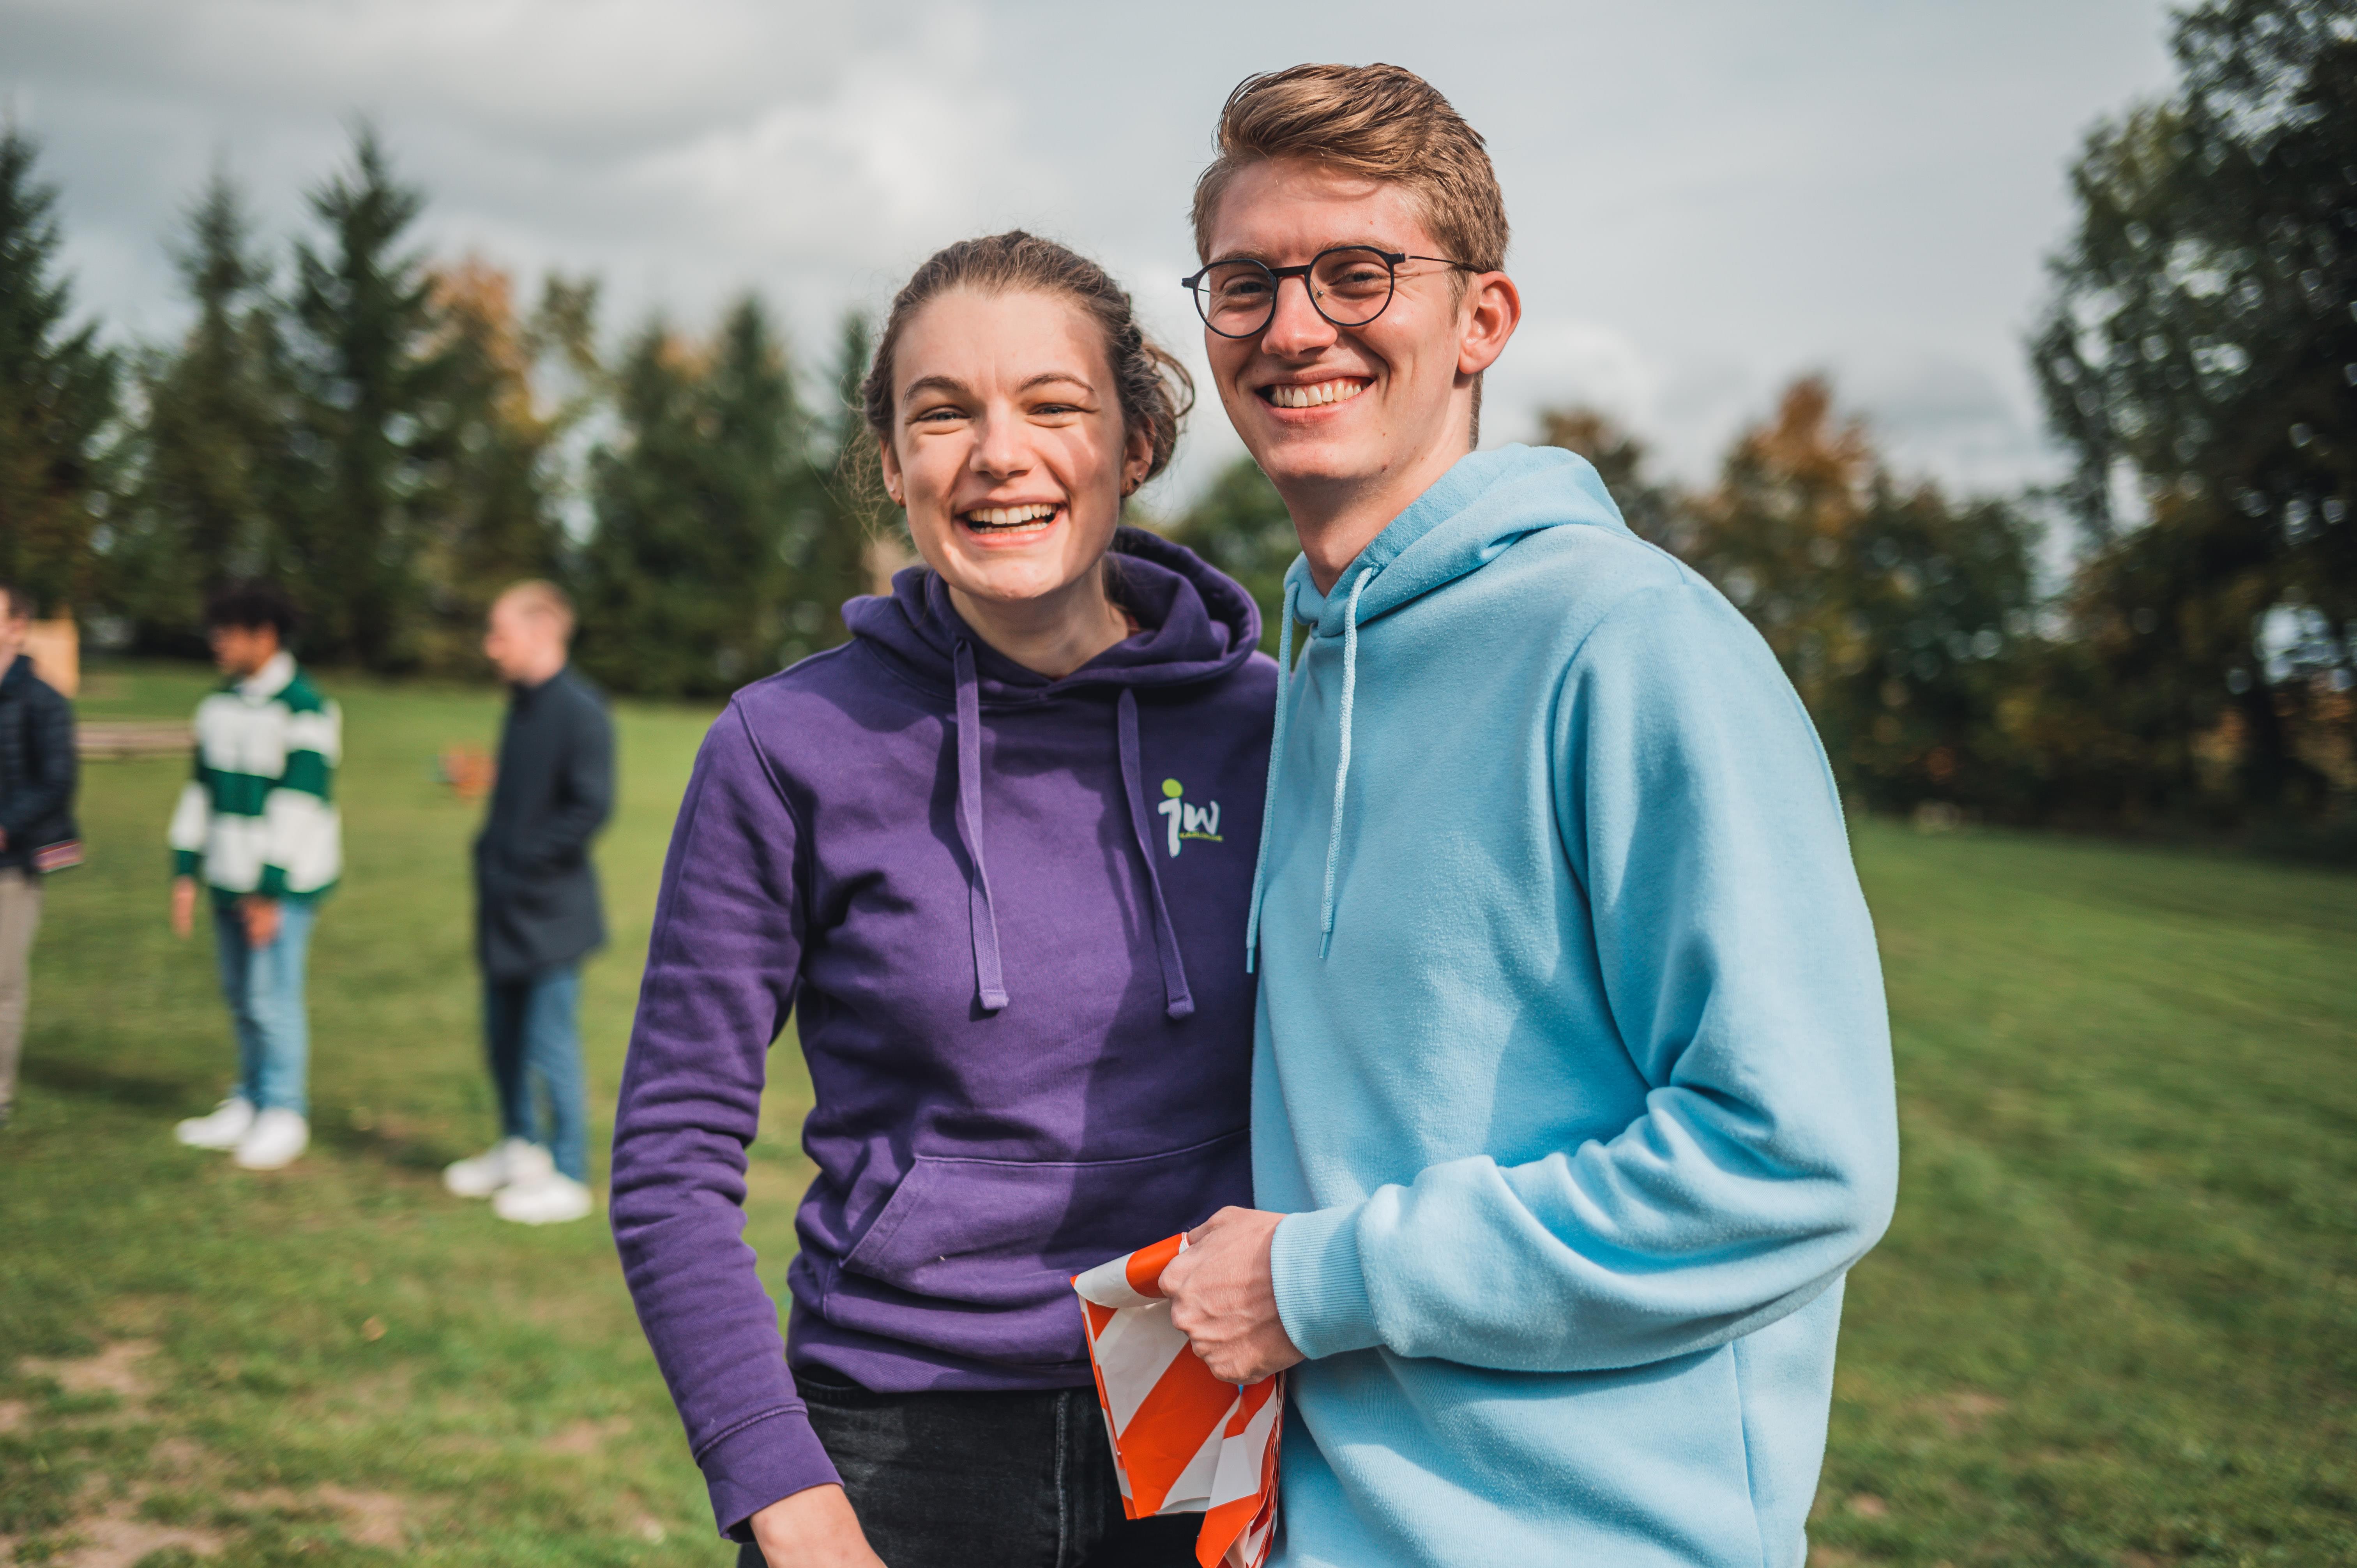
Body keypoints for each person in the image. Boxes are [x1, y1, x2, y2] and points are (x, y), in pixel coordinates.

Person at [1153, 65, 1901, 1568]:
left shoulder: (1631, 644)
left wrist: (1317, 1281)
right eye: (1244, 285)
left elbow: (1793, 1155)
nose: (1292, 326)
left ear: (1481, 321)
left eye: (1354, 273)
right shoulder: (1303, 678)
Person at [609, 231, 1276, 1568]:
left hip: (1204, 1411)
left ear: (1135, 444)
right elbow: (672, 1158)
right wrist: (782, 1495)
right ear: (893, 462)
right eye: (942, 412)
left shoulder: (1275, 734)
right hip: (887, 1445)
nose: (995, 452)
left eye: (1050, 404)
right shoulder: (781, 745)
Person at [443, 580, 614, 1225]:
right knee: (502, 1040)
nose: (491, 647)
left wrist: (521, 859)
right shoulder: (520, 703)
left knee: (549, 1043)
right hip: (502, 909)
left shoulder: (581, 709)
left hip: (551, 916)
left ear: (543, 632)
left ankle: (569, 1173)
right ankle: (520, 1148)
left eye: (500, 633)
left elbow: (590, 807)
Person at [169, 581, 342, 1172]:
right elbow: (201, 790)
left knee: (273, 998)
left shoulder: (305, 709)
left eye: (228, 632)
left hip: (279, 888)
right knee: (241, 996)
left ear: (263, 637)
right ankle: (249, 1100)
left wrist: (269, 890)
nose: (218, 642)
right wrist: (186, 868)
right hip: (227, 877)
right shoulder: (217, 706)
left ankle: (285, 1111)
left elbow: (300, 805)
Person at [0, 583, 78, 1130]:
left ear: (16, 627)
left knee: (2, 980)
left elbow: (57, 782)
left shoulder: (44, 701)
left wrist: (7, 827)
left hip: (13, 865)